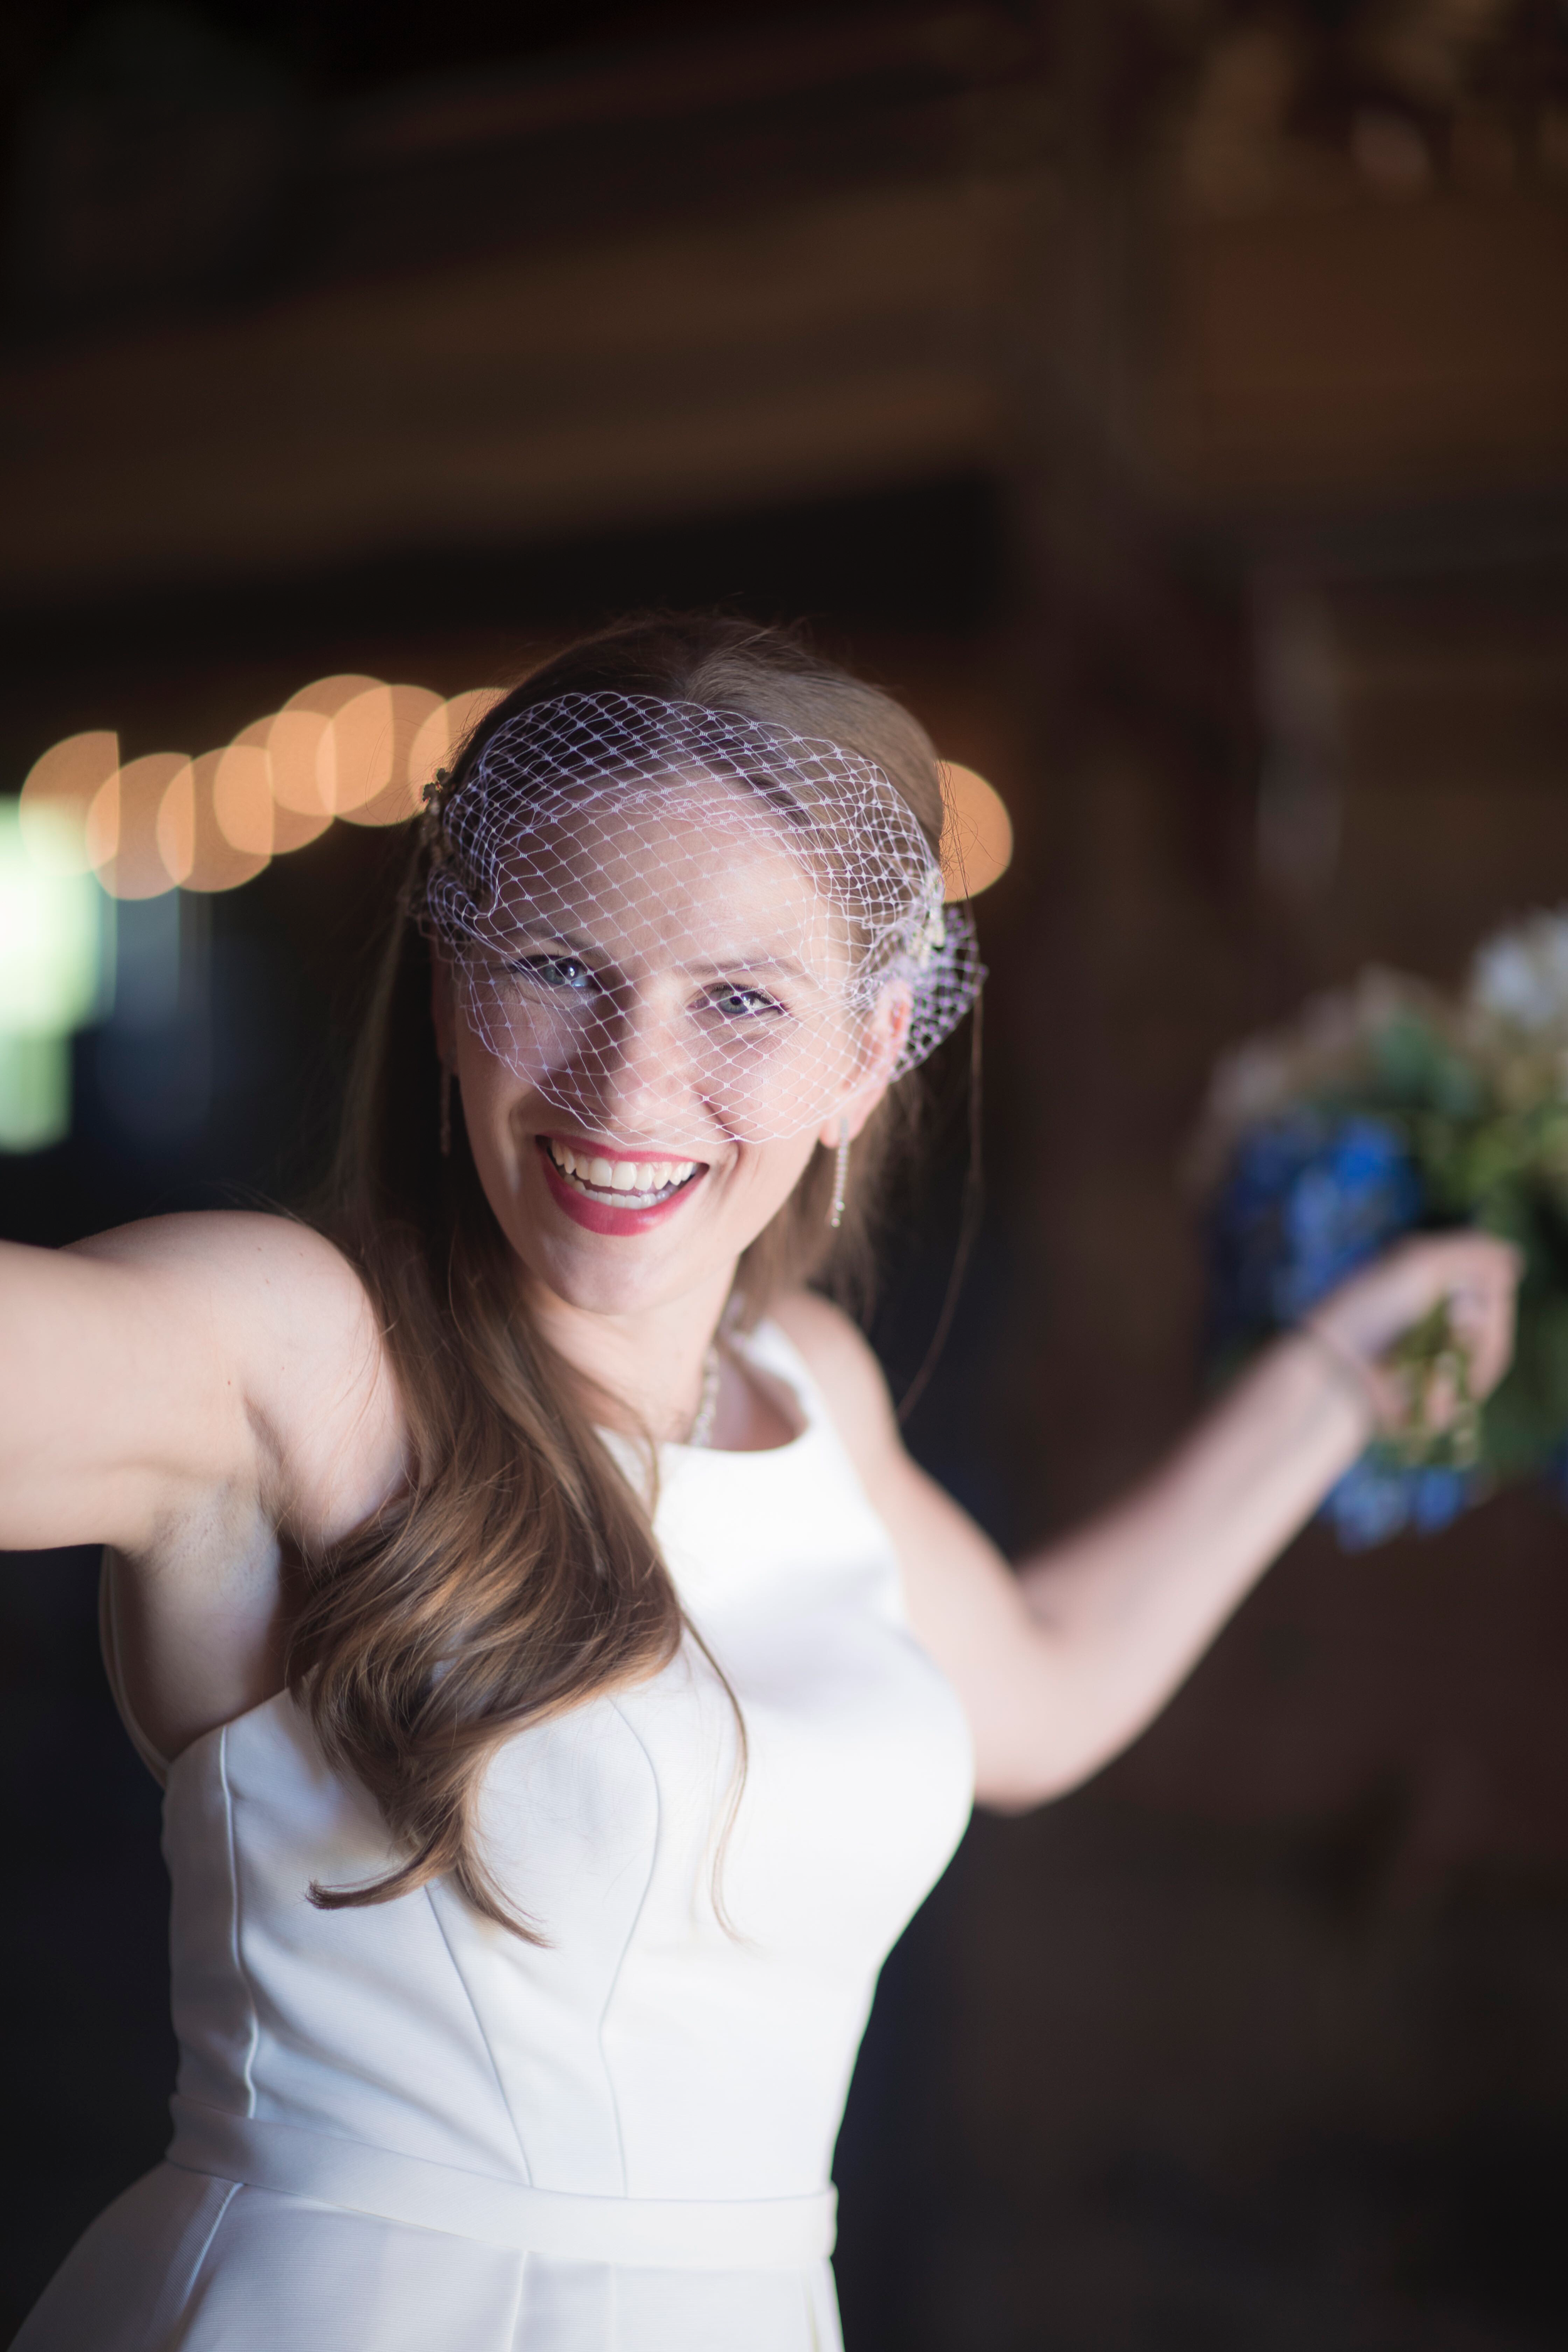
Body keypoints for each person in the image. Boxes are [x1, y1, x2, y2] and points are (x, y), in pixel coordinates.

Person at [3, 617, 1518, 2352]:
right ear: (447, 984)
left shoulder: (809, 1393)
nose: (630, 1083)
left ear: (865, 1053)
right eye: (560, 965)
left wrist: (1336, 1377)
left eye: (737, 998)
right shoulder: (293, 1349)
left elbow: (1037, 1677)